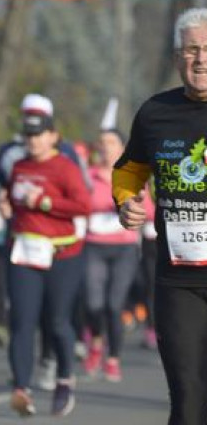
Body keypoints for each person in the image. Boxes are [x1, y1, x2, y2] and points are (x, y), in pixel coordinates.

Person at [114, 7, 207, 425]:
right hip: (180, 281)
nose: (201, 59)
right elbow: (128, 170)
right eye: (192, 50)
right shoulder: (157, 112)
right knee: (188, 393)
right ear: (177, 58)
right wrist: (127, 202)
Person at [6, 108, 90, 419]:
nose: (33, 141)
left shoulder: (65, 167)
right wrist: (7, 204)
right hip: (25, 252)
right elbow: (14, 200)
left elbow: (83, 206)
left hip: (62, 255)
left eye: (39, 134)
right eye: (28, 135)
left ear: (53, 136)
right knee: (22, 322)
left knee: (56, 322)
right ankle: (21, 389)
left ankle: (65, 380)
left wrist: (45, 202)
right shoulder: (19, 167)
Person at [83, 128, 140, 382]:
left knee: (114, 305)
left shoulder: (133, 175)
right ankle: (96, 340)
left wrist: (134, 205)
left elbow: (149, 211)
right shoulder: (88, 176)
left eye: (111, 142)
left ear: (121, 147)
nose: (106, 147)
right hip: (94, 245)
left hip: (124, 247)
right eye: (102, 142)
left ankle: (113, 358)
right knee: (94, 304)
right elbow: (79, 204)